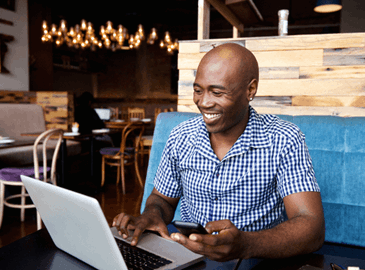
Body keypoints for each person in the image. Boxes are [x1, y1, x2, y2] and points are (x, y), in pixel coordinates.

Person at [113, 43, 325, 261]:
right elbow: (162, 199)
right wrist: (151, 215)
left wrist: (246, 245)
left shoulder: (283, 139)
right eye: (198, 90)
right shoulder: (180, 136)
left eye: (217, 92)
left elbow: (311, 226)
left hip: (254, 261)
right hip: (186, 257)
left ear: (250, 90)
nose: (204, 102)